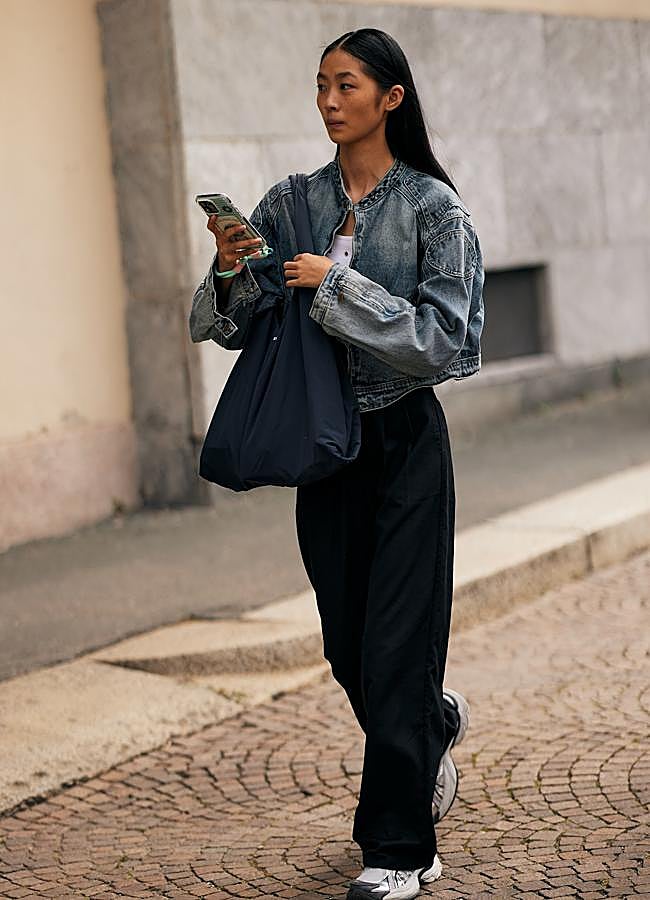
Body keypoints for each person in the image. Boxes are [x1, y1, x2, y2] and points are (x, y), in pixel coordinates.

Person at [189, 27, 483, 900]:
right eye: (321, 85)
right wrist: (231, 267)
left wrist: (341, 287)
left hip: (404, 447)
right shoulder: (291, 200)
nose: (328, 101)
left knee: (395, 649)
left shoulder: (432, 208)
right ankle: (431, 722)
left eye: (346, 85)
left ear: (391, 97)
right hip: (323, 450)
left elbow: (453, 342)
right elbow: (235, 326)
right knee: (350, 646)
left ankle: (399, 849)